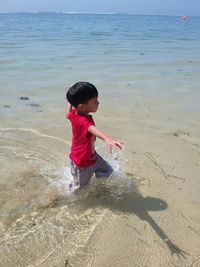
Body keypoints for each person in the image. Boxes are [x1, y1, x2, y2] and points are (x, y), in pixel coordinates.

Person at [66, 81, 125, 192]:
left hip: (92, 156)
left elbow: (67, 115)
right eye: (95, 101)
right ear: (82, 106)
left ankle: (99, 188)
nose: (98, 103)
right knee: (79, 190)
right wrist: (108, 139)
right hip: (82, 162)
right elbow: (93, 129)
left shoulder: (75, 113)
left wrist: (70, 102)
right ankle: (63, 198)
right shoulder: (82, 120)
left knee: (108, 172)